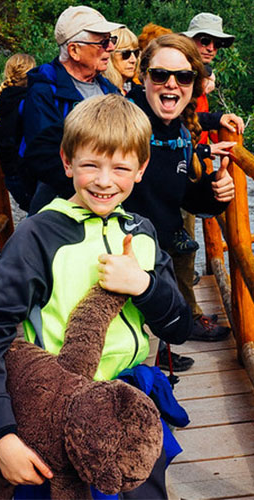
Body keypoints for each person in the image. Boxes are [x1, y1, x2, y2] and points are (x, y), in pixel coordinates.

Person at [0, 94, 193, 499]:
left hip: (131, 404)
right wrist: (0, 434)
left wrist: (144, 286)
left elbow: (179, 325)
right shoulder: (38, 235)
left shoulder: (142, 233)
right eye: (90, 165)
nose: (104, 181)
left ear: (141, 170)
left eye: (121, 168)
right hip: (57, 410)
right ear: (67, 162)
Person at [124, 33, 236, 343]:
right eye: (160, 75)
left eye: (184, 76)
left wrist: (215, 191)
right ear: (144, 76)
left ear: (194, 84)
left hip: (156, 257)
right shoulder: (120, 121)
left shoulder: (181, 132)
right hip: (113, 257)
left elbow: (183, 195)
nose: (172, 83)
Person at [18, 5, 124, 215]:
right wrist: (94, 193)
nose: (110, 48)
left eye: (111, 40)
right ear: (74, 50)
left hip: (108, 198)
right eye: (102, 42)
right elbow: (45, 157)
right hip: (62, 204)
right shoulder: (44, 92)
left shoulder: (108, 89)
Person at [179, 13, 245, 333]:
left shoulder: (197, 73)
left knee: (185, 239)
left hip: (192, 162)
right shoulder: (180, 74)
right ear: (190, 40)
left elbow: (195, 117)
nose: (211, 47)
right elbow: (180, 119)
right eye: (204, 40)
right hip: (182, 165)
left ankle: (187, 309)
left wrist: (215, 119)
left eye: (216, 43)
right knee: (182, 241)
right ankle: (188, 317)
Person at [0, 53, 36, 212]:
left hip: (11, 177)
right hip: (28, 176)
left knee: (36, 217)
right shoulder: (31, 102)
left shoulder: (1, 103)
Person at [103, 27, 140, 95]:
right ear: (110, 55)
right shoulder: (102, 92)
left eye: (136, 53)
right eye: (126, 54)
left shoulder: (138, 92)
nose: (133, 60)